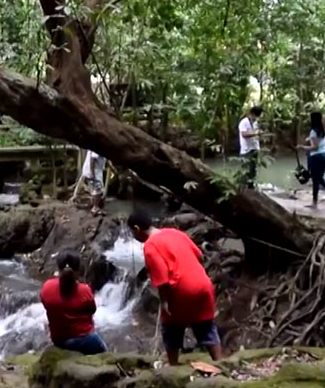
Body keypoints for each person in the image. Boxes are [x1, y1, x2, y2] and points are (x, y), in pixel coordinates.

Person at [127, 210, 223, 366]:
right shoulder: (174, 233)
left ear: (137, 229)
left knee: (171, 328)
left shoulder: (150, 246)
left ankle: (173, 366)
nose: (133, 236)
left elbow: (162, 275)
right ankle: (222, 364)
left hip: (182, 289)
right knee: (206, 327)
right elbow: (199, 255)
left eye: (132, 232)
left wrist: (164, 301)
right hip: (204, 285)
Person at [40, 250, 107, 354]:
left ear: (58, 268)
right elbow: (92, 310)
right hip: (84, 339)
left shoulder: (47, 287)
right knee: (103, 350)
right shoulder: (85, 290)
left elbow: (45, 304)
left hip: (59, 340)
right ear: (78, 269)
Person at [297, 112, 325, 209]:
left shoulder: (313, 131)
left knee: (316, 180)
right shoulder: (322, 130)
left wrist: (302, 147)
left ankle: (316, 202)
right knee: (319, 178)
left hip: (317, 157)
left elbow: (315, 147)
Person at [238, 106, 263, 189]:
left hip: (254, 149)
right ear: (251, 114)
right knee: (245, 171)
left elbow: (256, 135)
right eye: (255, 116)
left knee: (253, 171)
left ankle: (251, 188)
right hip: (246, 150)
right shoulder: (244, 122)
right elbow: (244, 134)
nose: (256, 118)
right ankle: (243, 190)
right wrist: (256, 133)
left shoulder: (255, 123)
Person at [81, 150, 107, 215]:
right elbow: (92, 159)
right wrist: (93, 174)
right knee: (99, 190)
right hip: (94, 171)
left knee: (96, 189)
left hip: (94, 171)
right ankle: (95, 208)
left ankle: (95, 206)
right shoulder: (97, 147)